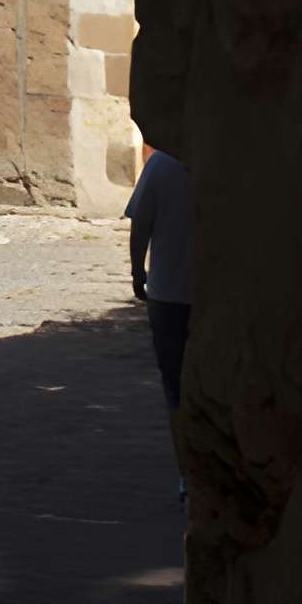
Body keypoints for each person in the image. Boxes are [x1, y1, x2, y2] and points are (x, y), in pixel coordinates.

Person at [124, 148, 193, 499]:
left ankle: (187, 476)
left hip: (168, 294)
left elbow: (141, 225)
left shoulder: (161, 165)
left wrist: (138, 273)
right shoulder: (225, 156)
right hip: (214, 295)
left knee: (176, 389)